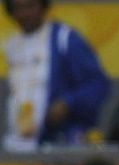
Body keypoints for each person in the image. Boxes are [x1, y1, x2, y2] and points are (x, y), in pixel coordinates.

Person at [1, 0, 109, 151]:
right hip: (18, 142)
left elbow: (98, 84)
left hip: (57, 143)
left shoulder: (65, 39)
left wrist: (67, 103)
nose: (24, 14)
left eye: (30, 6)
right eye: (17, 8)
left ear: (44, 6)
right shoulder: (11, 45)